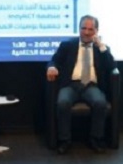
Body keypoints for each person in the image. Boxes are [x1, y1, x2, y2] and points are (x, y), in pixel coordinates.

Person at [47, 15, 116, 154]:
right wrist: (51, 67)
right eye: (83, 28)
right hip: (70, 84)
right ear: (79, 29)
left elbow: (112, 67)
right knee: (63, 103)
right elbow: (54, 61)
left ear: (96, 31)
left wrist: (101, 46)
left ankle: (96, 139)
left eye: (90, 29)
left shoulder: (101, 48)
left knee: (100, 103)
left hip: (91, 85)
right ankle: (65, 140)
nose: (86, 32)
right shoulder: (68, 45)